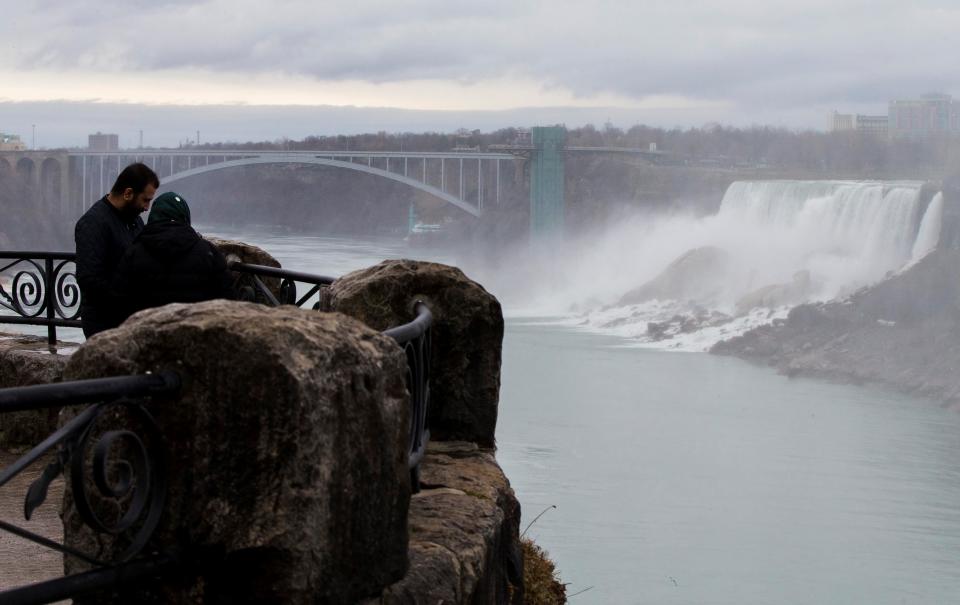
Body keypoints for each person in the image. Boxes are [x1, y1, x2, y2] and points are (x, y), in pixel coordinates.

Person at [113, 191, 234, 321]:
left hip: (146, 335)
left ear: (153, 217)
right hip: (196, 335)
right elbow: (229, 301)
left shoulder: (133, 253)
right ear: (185, 217)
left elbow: (118, 302)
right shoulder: (208, 253)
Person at [75, 162, 159, 337]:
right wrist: (129, 297)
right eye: (145, 200)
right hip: (104, 324)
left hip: (128, 319)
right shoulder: (93, 223)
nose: (147, 208)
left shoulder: (134, 220)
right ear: (128, 193)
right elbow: (89, 279)